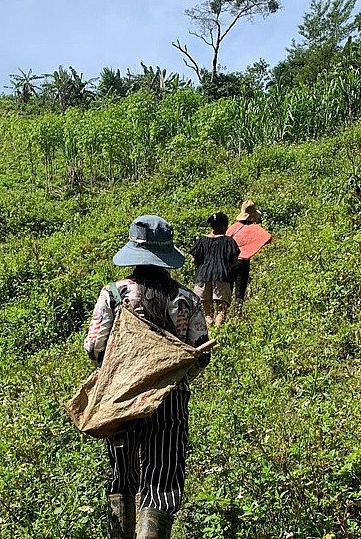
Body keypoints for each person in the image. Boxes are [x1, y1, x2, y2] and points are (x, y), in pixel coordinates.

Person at [84, 215, 211, 539]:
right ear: (166, 256)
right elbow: (201, 352)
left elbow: (95, 349)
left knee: (123, 475)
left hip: (121, 396)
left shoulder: (115, 293)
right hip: (169, 400)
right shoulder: (187, 299)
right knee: (162, 480)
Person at [189, 211, 240, 328]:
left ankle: (209, 331)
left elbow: (193, 260)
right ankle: (218, 334)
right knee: (221, 310)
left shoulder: (201, 240)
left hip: (202, 277)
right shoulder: (229, 241)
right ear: (223, 226)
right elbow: (235, 261)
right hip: (222, 276)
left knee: (207, 313)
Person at [226, 200, 272, 304]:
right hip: (242, 262)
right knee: (240, 290)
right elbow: (268, 237)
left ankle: (225, 310)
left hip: (228, 261)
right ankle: (238, 309)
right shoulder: (255, 228)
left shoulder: (233, 227)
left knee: (227, 289)